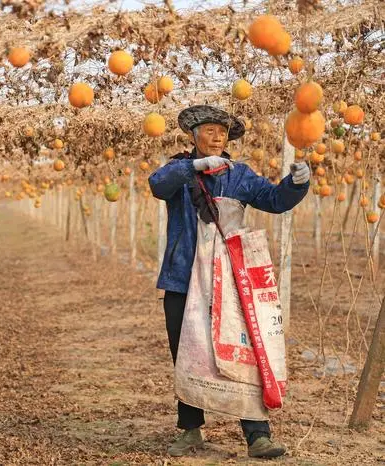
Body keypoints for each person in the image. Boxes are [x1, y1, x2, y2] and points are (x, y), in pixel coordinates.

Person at [148, 105, 310, 459]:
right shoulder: (180, 171)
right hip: (182, 279)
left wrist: (297, 184)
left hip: (229, 279)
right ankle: (190, 430)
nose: (217, 136)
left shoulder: (240, 175)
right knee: (186, 353)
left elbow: (273, 200)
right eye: (209, 130)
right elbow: (157, 186)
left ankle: (257, 435)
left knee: (245, 350)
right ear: (193, 137)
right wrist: (191, 167)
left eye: (222, 132)